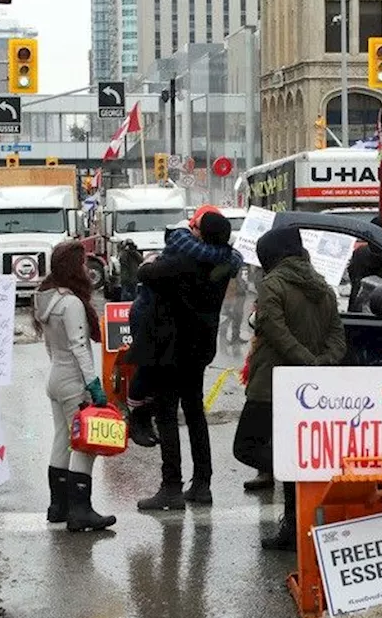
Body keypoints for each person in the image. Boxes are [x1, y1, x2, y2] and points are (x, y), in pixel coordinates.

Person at [235, 227, 346, 548]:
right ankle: (293, 528)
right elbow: (337, 336)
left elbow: (273, 328)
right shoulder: (323, 287)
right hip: (308, 390)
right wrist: (321, 363)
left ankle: (297, 475)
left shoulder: (272, 285)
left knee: (246, 446)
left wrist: (305, 363)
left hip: (271, 385)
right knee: (291, 447)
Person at [134, 208, 242, 511]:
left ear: (201, 234)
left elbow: (145, 274)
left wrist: (150, 261)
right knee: (195, 412)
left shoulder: (182, 261)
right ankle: (202, 483)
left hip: (170, 348)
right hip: (200, 348)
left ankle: (171, 486)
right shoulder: (223, 265)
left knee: (167, 415)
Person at [34, 241, 115, 533]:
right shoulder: (71, 303)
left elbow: (49, 343)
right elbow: (80, 346)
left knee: (62, 439)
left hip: (55, 374)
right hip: (72, 380)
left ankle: (59, 506)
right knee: (85, 443)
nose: (85, 268)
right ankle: (81, 511)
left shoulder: (46, 298)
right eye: (81, 263)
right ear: (72, 267)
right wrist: (93, 385)